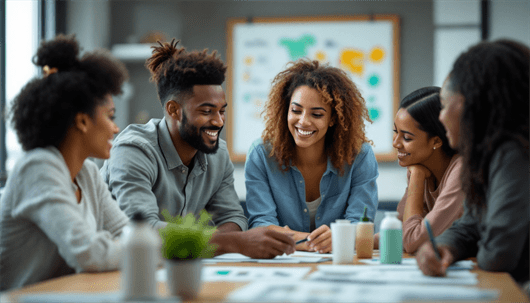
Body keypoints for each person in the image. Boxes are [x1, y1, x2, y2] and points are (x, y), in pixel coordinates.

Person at [101, 39, 295, 259]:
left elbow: (233, 219)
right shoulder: (133, 150)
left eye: (222, 111)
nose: (219, 122)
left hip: (176, 268)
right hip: (115, 271)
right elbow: (142, 233)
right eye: (207, 111)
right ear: (174, 110)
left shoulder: (218, 154)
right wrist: (232, 243)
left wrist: (210, 243)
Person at [0, 35, 130, 291]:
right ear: (82, 121)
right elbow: (88, 253)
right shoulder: (37, 168)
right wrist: (147, 249)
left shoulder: (87, 173)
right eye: (110, 116)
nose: (115, 128)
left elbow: (126, 232)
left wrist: (146, 245)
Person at [416, 40, 529, 283]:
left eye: (445, 105)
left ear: (475, 105)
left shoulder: (513, 153)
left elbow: (499, 255)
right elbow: (470, 224)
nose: (441, 117)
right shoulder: (485, 156)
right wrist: (444, 247)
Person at [245, 59, 379, 254]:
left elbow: (360, 224)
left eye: (316, 114)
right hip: (282, 265)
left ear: (333, 118)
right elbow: (262, 225)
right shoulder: (261, 155)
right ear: (285, 110)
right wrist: (315, 241)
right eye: (296, 110)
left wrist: (340, 238)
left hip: (340, 265)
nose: (303, 121)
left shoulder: (360, 156)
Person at [373, 87, 464, 253]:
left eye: (407, 137)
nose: (396, 143)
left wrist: (416, 177)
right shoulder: (421, 167)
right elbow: (400, 230)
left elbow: (411, 241)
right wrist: (348, 241)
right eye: (396, 132)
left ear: (436, 141)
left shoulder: (461, 172)